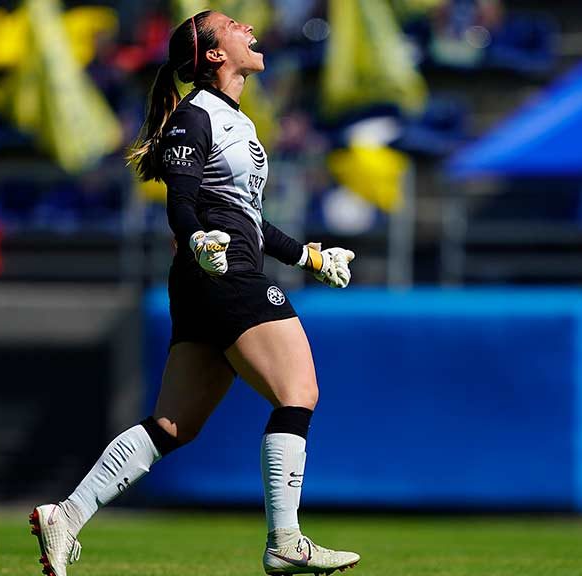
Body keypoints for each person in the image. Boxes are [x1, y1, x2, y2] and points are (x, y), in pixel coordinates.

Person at [29, 11, 359, 576]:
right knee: (298, 391)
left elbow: (249, 219)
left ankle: (66, 514)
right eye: (232, 24)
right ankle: (286, 540)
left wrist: (310, 256)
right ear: (212, 55)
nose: (249, 26)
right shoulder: (196, 115)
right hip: (221, 269)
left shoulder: (236, 119)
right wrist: (197, 237)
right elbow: (181, 200)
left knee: (172, 427)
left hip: (211, 271)